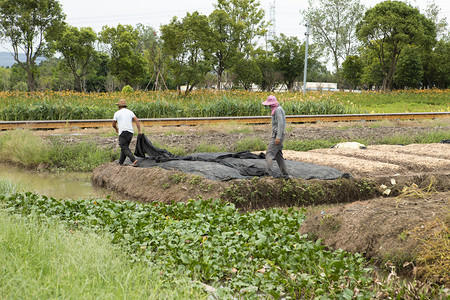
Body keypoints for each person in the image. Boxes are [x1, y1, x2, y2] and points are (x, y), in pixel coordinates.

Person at [262, 95, 290, 178]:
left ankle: (268, 175)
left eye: (270, 105)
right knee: (278, 156)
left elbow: (280, 124)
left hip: (278, 135)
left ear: (272, 104)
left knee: (269, 154)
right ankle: (285, 174)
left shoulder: (277, 110)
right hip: (278, 134)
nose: (269, 106)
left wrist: (278, 137)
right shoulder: (278, 109)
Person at [112, 99, 142, 166]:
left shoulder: (117, 113)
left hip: (123, 132)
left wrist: (116, 128)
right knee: (124, 148)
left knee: (123, 146)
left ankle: (133, 160)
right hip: (130, 132)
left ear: (119, 106)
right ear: (125, 106)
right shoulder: (130, 112)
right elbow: (137, 121)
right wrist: (139, 130)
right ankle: (120, 162)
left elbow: (113, 124)